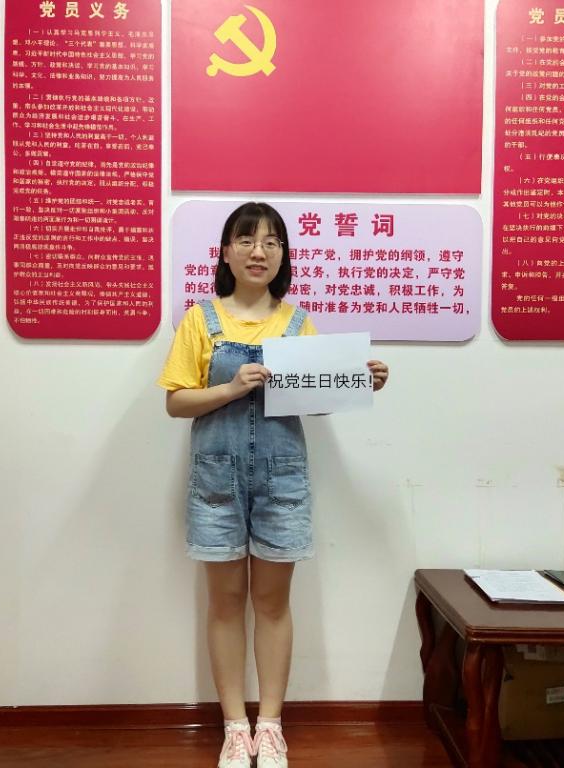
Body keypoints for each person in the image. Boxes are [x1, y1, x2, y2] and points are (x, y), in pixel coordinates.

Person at [159, 202, 389, 768]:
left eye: (271, 242)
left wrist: (360, 382)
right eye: (246, 240)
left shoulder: (296, 323)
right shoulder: (200, 320)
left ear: (284, 254)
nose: (258, 251)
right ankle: (234, 728)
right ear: (226, 252)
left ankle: (271, 726)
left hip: (281, 478)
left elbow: (316, 400)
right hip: (217, 480)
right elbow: (176, 402)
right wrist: (231, 388)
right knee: (224, 604)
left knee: (272, 603)